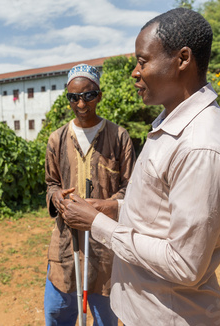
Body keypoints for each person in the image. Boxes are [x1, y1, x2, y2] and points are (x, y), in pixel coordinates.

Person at [59, 8, 220, 326]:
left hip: (167, 316)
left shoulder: (203, 146)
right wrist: (113, 207)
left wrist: (97, 224)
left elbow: (184, 264)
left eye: (142, 61)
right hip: (140, 310)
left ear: (182, 59)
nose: (134, 72)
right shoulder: (169, 125)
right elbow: (160, 210)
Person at [44, 63, 136, 325]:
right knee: (57, 312)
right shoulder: (57, 139)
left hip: (105, 244)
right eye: (74, 97)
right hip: (66, 241)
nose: (81, 104)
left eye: (88, 96)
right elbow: (51, 184)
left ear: (99, 95)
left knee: (106, 316)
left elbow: (130, 189)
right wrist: (57, 197)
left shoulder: (119, 137)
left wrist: (105, 206)